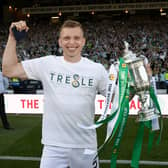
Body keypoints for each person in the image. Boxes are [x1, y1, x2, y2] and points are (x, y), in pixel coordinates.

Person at [2, 20, 108, 168]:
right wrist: (12, 38)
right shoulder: (47, 64)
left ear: (83, 41)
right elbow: (9, 70)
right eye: (66, 38)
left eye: (76, 38)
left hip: (85, 147)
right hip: (53, 148)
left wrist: (139, 84)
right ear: (59, 42)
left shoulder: (97, 69)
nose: (72, 42)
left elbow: (118, 98)